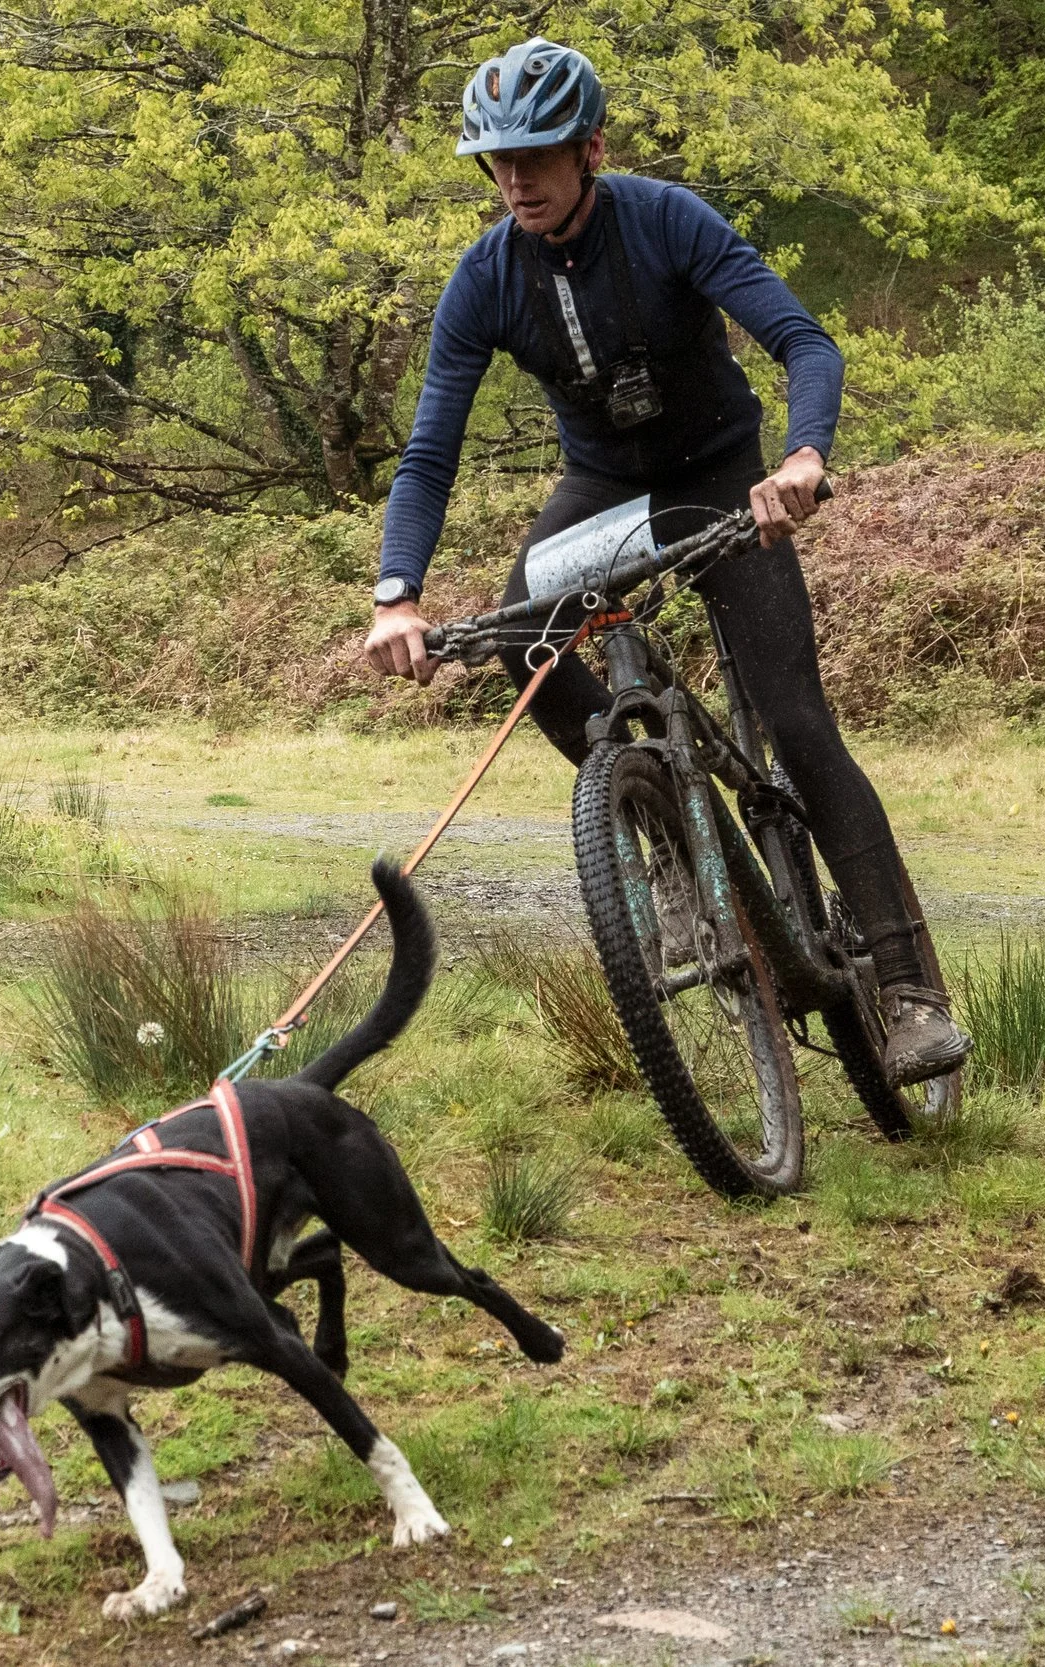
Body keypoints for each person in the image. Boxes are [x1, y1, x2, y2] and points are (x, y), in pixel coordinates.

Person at [362, 38, 968, 1083]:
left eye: (538, 155)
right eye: (497, 162)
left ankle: (912, 990)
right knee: (525, 644)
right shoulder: (483, 280)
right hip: (601, 492)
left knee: (793, 721)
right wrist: (396, 596)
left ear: (587, 148)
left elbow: (803, 342)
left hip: (719, 476)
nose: (516, 180)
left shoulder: (664, 219)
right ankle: (656, 825)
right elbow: (429, 452)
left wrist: (804, 460)